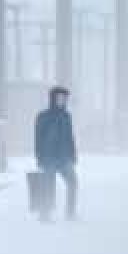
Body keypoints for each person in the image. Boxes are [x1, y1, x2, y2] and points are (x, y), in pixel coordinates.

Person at [34, 86, 78, 221]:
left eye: (64, 98)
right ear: (53, 98)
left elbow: (70, 136)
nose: (62, 100)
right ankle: (44, 214)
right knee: (48, 185)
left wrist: (73, 154)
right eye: (59, 97)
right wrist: (39, 157)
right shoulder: (43, 116)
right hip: (48, 157)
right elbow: (38, 138)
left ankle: (70, 213)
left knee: (73, 182)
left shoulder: (67, 116)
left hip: (64, 158)